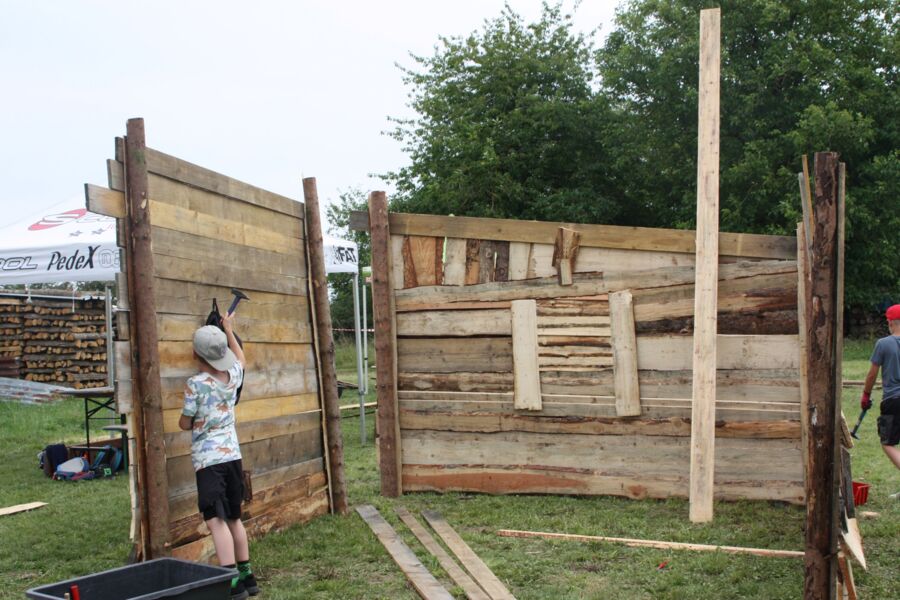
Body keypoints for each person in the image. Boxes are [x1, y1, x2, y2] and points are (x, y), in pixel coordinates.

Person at [180, 314, 259, 598]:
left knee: (216, 520)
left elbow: (185, 422)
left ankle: (230, 581)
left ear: (194, 354)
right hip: (232, 458)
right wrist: (230, 329)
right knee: (235, 518)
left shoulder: (195, 384)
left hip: (208, 462)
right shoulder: (233, 376)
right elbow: (242, 359)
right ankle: (248, 577)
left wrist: (193, 421)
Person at [861, 304, 900, 497]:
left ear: (890, 322)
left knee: (888, 443)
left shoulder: (883, 344)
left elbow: (872, 374)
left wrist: (866, 395)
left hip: (893, 399)